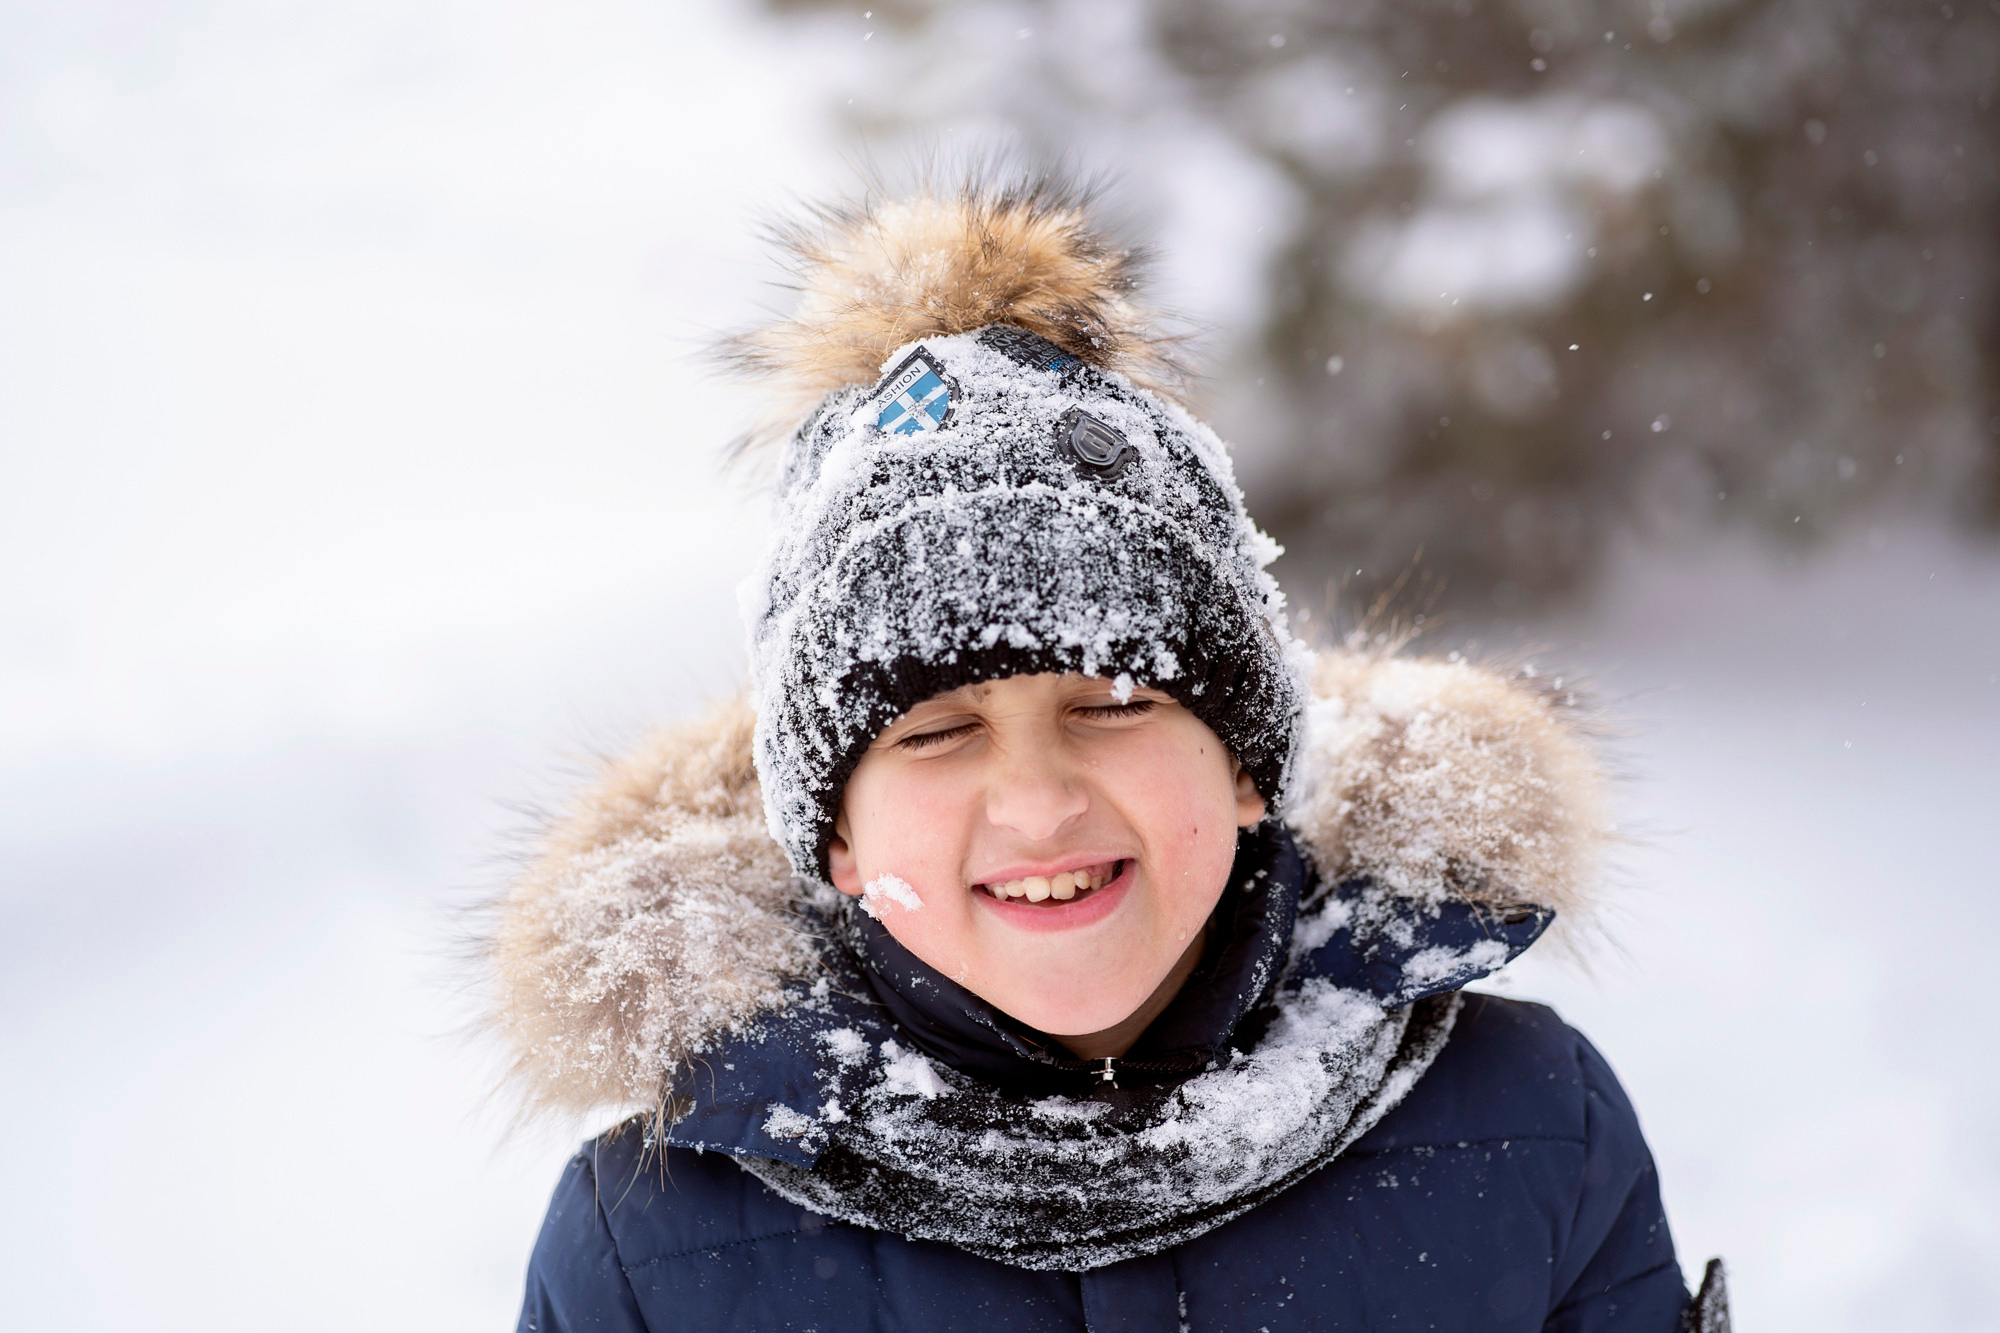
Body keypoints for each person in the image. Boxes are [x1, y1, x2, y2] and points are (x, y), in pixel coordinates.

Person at [486, 168, 1729, 1331]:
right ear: (837, 839)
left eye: (1114, 703)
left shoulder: (1531, 1128)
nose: (1033, 802)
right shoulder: (646, 1246)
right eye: (934, 731)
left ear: (1247, 766)